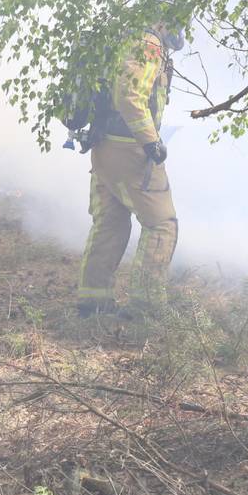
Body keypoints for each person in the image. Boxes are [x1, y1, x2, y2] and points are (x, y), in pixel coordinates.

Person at [76, 22, 182, 318]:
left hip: (104, 145)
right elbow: (128, 95)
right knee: (162, 224)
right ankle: (145, 308)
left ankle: (94, 302)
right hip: (130, 150)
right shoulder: (147, 42)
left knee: (111, 222)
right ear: (164, 15)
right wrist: (150, 142)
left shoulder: (121, 35)